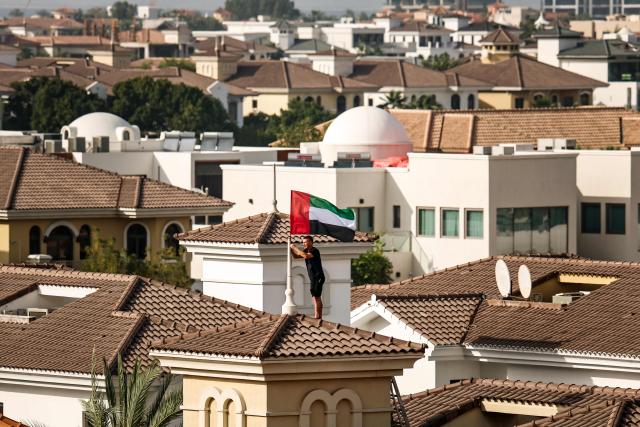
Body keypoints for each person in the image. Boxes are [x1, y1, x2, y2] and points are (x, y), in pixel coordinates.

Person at [290, 235, 325, 319]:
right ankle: (317, 315)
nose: (304, 244)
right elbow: (296, 256)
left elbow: (305, 256)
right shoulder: (306, 250)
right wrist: (291, 250)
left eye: (306, 242)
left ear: (311, 242)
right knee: (314, 296)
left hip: (318, 276)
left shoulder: (314, 250)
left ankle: (318, 316)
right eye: (303, 242)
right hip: (313, 278)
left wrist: (295, 247)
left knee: (316, 296)